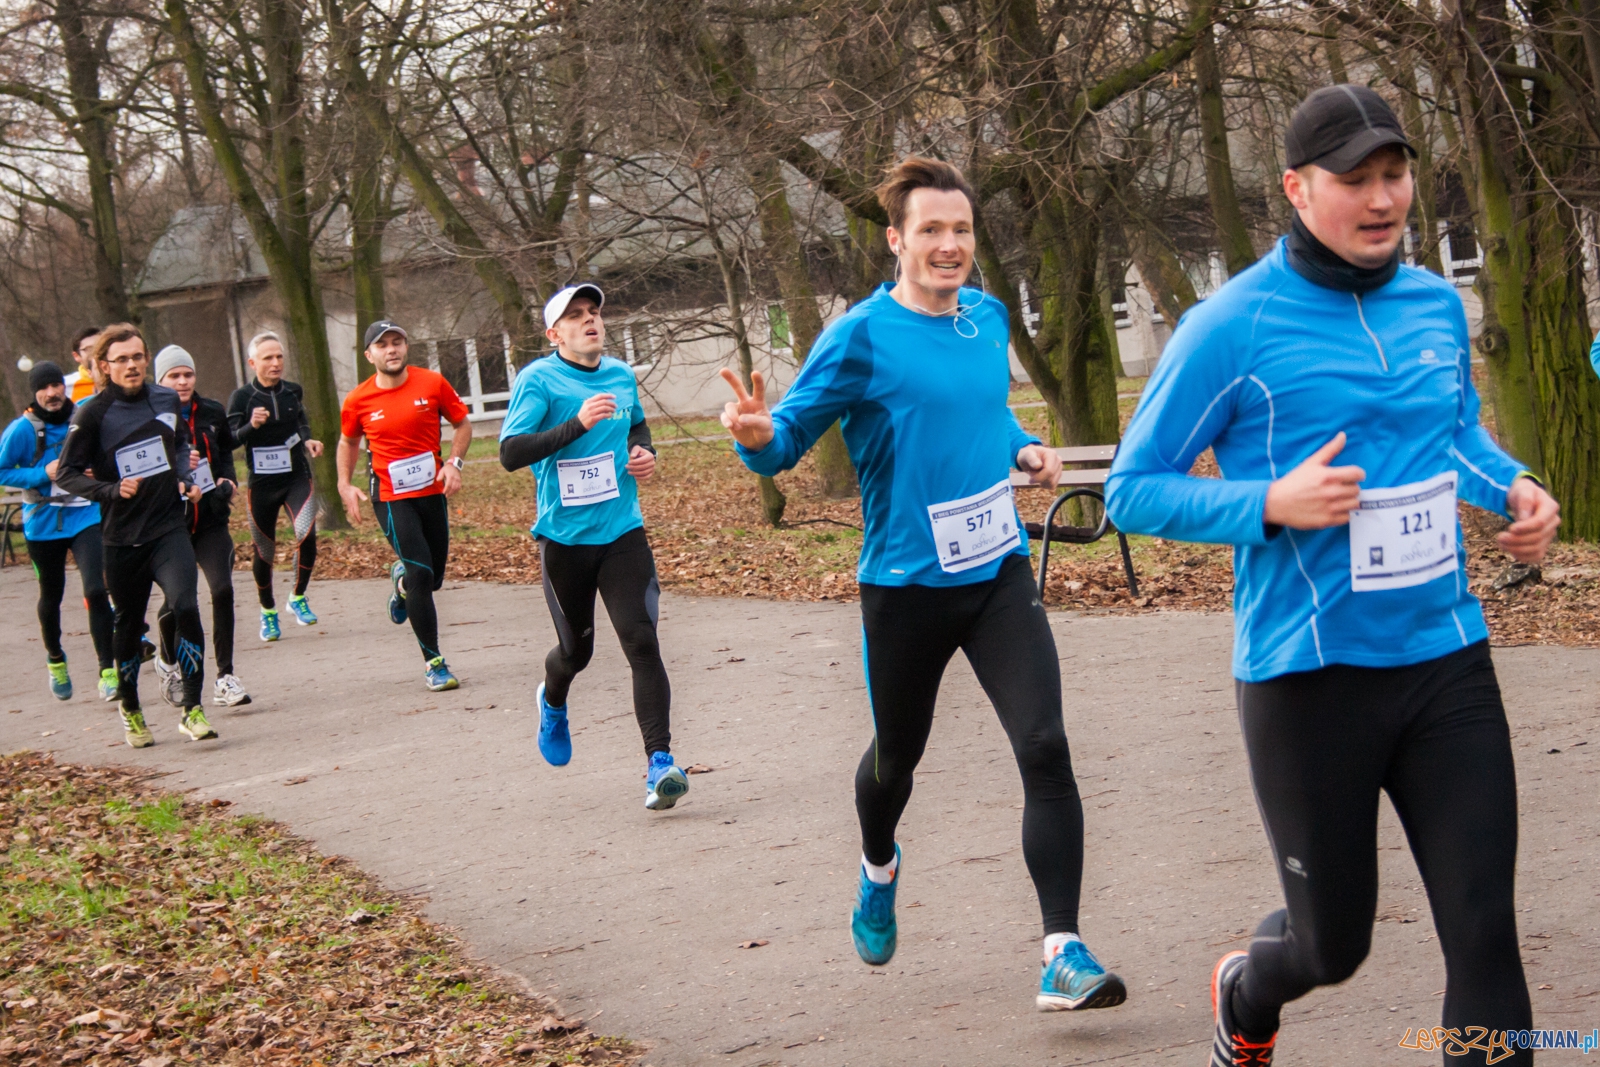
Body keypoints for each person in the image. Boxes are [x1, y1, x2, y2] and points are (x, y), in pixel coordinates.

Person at [1106, 85, 1560, 1067]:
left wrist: (1515, 487)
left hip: (1446, 660)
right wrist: (1267, 503)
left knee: (1483, 928)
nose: (1382, 196)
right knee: (1332, 942)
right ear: (1296, 189)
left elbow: (1452, 435)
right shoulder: (1231, 327)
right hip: (1308, 678)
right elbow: (1131, 492)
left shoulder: (1436, 304)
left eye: (1393, 173)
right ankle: (1245, 989)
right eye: (1353, 178)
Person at [720, 157, 1125, 1011]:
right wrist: (757, 436)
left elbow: (984, 411)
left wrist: (1022, 445)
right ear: (896, 240)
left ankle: (1063, 949)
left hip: (996, 571)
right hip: (905, 587)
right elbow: (788, 439)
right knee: (897, 759)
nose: (950, 246)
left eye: (962, 230)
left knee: (1045, 746)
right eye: (931, 231)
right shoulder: (861, 335)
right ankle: (878, 863)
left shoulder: (987, 314)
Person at [499, 284, 686, 810]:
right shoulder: (539, 380)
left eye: (594, 313)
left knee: (641, 642)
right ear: (554, 333)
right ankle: (552, 701)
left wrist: (643, 452)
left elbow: (638, 426)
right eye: (576, 316)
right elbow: (511, 453)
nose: (590, 321)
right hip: (565, 542)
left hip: (622, 533)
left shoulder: (621, 374)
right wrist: (575, 424)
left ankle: (660, 764)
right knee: (575, 652)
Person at [55, 323, 217, 748]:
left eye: (137, 357)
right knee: (127, 625)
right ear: (104, 367)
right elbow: (68, 473)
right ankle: (131, 708)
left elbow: (180, 443)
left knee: (185, 606)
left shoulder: (165, 398)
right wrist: (109, 490)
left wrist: (185, 475)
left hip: (168, 528)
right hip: (122, 539)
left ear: (147, 360)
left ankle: (192, 708)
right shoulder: (91, 413)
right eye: (122, 359)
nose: (131, 365)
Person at [336, 319, 471, 691]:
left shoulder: (432, 383)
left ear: (406, 347)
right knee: (422, 574)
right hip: (391, 497)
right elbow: (348, 442)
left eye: (397, 342)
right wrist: (344, 484)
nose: (391, 349)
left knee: (434, 577)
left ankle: (400, 585)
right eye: (382, 345)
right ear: (369, 355)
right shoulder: (358, 399)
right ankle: (435, 663)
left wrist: (454, 464)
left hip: (431, 492)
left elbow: (462, 424)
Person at [0, 360, 117, 702]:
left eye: (56, 386)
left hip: (86, 515)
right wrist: (41, 473)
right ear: (35, 393)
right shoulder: (22, 430)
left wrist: (98, 470)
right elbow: (3, 470)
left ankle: (107, 670)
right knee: (51, 596)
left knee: (96, 589)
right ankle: (55, 659)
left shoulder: (83, 416)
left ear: (64, 387)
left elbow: (107, 451)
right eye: (44, 388)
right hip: (43, 522)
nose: (52, 393)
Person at [152, 346, 250, 708]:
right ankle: (168, 659)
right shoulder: (149, 416)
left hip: (210, 517)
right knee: (179, 602)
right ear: (160, 380)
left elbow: (225, 451)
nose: (181, 382)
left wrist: (228, 479)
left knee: (222, 589)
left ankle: (225, 677)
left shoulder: (211, 410)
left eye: (187, 374)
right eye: (173, 376)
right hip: (170, 523)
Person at [227, 331, 322, 641]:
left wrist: (308, 439)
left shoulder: (293, 391)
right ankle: (268, 612)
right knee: (264, 552)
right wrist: (250, 425)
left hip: (295, 476)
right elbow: (228, 440)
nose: (276, 362)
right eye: (268, 357)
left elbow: (301, 421)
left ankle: (297, 597)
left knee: (306, 533)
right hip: (262, 484)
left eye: (279, 356)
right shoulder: (242, 398)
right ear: (253, 362)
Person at [63, 326, 101, 404]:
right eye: (89, 349)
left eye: (100, 347)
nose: (96, 353)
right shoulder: (66, 386)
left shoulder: (119, 379)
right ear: (76, 356)